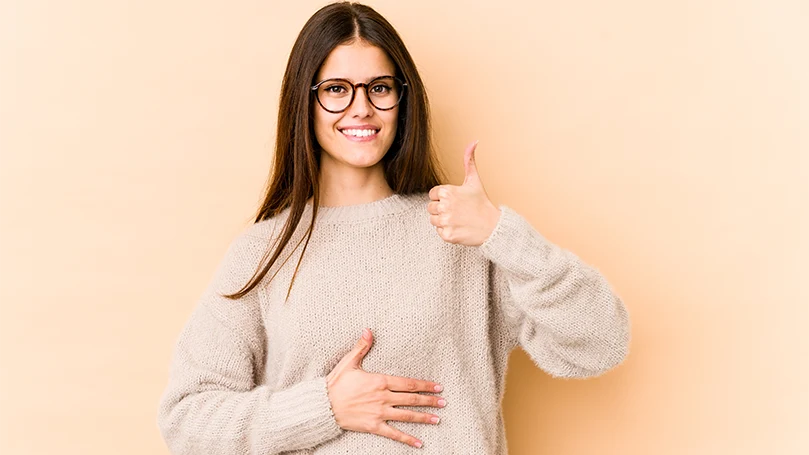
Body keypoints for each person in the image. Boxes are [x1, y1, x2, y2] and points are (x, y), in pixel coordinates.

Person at [156, 2, 631, 454]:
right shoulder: (263, 250)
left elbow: (600, 344)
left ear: (402, 100)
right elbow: (187, 419)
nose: (361, 108)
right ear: (305, 102)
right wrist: (325, 407)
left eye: (379, 88)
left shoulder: (458, 232)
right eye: (337, 88)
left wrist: (501, 234)